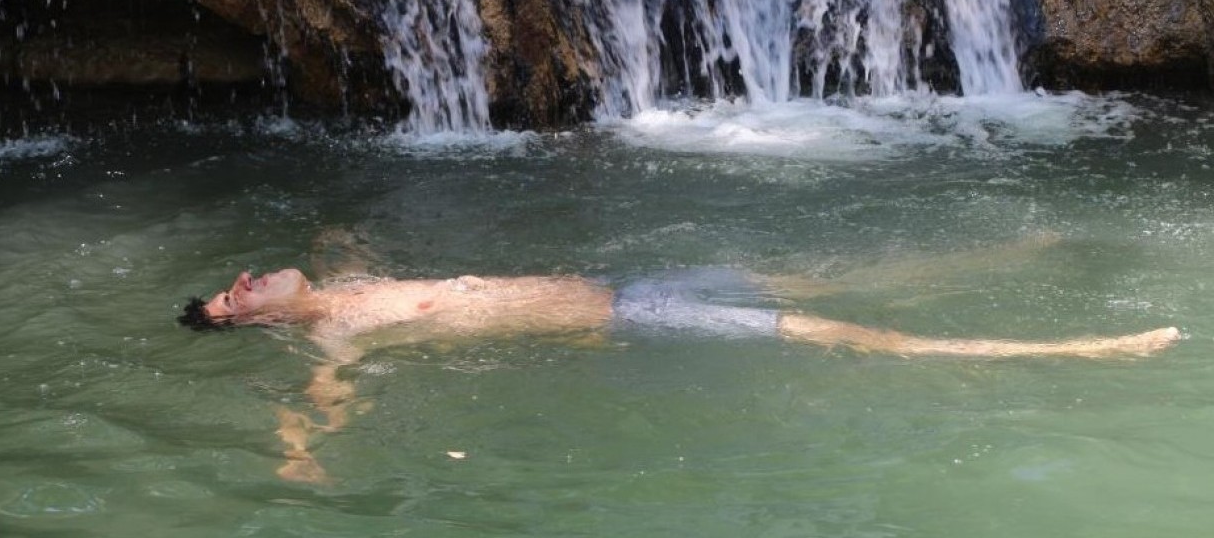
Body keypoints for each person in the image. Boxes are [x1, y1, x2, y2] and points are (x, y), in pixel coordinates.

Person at [178, 258, 1181, 482]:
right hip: (641, 317)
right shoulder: (330, 337)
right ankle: (1071, 346)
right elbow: (323, 400)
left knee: (829, 284)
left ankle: (989, 259)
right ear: (250, 324)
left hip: (623, 289)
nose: (242, 278)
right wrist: (297, 452)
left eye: (235, 280)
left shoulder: (349, 281)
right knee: (833, 333)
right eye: (232, 298)